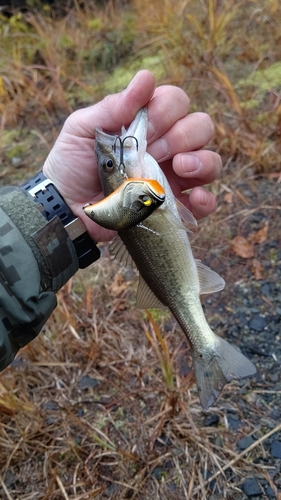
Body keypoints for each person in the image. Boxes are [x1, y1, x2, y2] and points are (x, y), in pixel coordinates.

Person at [0, 70, 222, 371]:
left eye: (108, 164)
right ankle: (206, 346)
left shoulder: (143, 195)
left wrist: (58, 199)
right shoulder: (143, 196)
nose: (113, 154)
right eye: (109, 164)